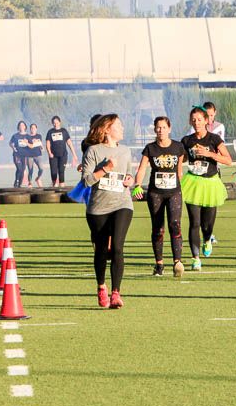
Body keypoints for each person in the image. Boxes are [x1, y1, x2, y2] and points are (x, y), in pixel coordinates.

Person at [81, 114, 135, 308]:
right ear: (106, 129)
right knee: (102, 250)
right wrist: (104, 169)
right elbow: (86, 181)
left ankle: (116, 293)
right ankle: (101, 286)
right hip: (98, 207)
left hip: (122, 203)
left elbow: (130, 176)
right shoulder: (93, 151)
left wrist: (131, 181)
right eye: (118, 125)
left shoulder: (126, 151)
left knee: (118, 247)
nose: (122, 128)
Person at [132, 116, 186, 278]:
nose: (160, 130)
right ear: (155, 129)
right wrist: (137, 185)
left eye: (163, 127)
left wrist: (179, 183)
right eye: (158, 127)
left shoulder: (178, 147)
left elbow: (179, 169)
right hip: (156, 193)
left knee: (175, 224)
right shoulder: (150, 148)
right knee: (158, 228)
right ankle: (159, 264)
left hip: (174, 192)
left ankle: (177, 262)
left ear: (169, 129)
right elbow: (142, 168)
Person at [181, 106, 232, 270]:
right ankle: (195, 258)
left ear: (206, 121)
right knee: (194, 222)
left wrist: (209, 154)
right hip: (192, 183)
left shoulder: (214, 139)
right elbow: (179, 159)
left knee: (207, 225)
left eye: (199, 120)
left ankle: (208, 239)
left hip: (210, 183)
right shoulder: (186, 140)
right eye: (193, 120)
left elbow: (228, 160)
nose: (196, 123)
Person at [45, 116, 76, 187]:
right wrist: (49, 153)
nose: (55, 124)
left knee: (61, 171)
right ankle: (54, 184)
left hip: (63, 155)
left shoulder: (64, 131)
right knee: (53, 172)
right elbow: (47, 143)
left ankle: (62, 186)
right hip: (53, 155)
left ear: (60, 122)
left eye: (57, 122)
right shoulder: (50, 132)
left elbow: (69, 143)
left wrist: (74, 154)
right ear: (52, 124)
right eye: (54, 123)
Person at [10, 121, 30, 187]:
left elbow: (31, 145)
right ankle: (16, 181)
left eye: (23, 125)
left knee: (23, 169)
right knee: (19, 168)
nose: (21, 126)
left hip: (25, 155)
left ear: (25, 127)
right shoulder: (15, 136)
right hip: (17, 155)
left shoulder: (28, 136)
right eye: (20, 125)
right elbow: (11, 143)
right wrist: (13, 147)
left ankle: (20, 184)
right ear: (18, 127)